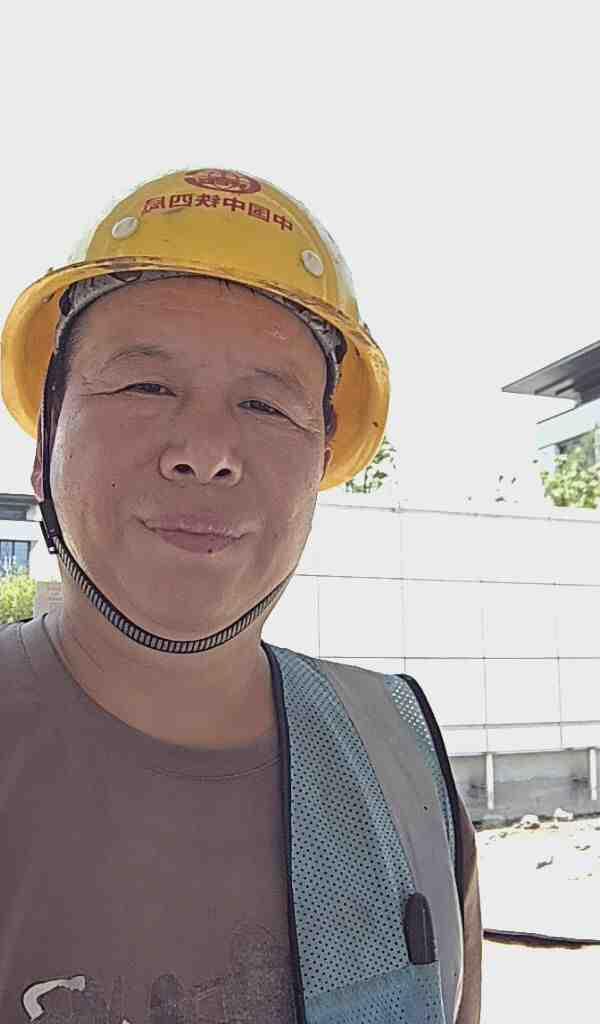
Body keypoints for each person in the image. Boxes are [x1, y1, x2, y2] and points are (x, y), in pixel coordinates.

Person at [0, 167, 482, 1022]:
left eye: (266, 405)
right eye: (145, 386)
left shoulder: (402, 767)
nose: (207, 451)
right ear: (44, 454)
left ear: (320, 469)